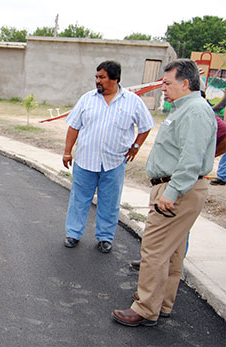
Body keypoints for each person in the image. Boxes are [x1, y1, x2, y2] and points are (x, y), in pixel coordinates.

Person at [113, 59, 217, 327]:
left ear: (185, 83)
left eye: (167, 83)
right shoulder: (187, 108)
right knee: (172, 252)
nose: (163, 88)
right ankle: (162, 304)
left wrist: (170, 193)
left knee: (155, 249)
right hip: (179, 187)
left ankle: (146, 308)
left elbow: (191, 159)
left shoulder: (194, 112)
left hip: (178, 189)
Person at [62, 60, 154, 253]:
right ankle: (73, 234)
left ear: (115, 78)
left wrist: (136, 146)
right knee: (79, 200)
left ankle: (105, 237)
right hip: (85, 161)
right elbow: (73, 126)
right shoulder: (87, 99)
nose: (97, 81)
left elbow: (146, 126)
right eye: (96, 77)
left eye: (102, 77)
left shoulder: (133, 101)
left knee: (109, 203)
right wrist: (67, 151)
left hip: (114, 163)